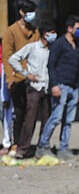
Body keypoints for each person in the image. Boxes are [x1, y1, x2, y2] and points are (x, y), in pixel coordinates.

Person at [35, 15, 79, 160]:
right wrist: (54, 85)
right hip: (61, 86)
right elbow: (51, 65)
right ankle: (43, 145)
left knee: (69, 120)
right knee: (56, 117)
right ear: (69, 28)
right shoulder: (59, 44)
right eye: (78, 28)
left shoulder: (77, 45)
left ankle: (64, 147)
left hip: (74, 87)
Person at [7, 21, 56, 159]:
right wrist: (25, 73)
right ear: (45, 34)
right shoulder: (32, 47)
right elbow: (13, 59)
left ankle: (42, 147)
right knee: (30, 119)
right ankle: (23, 149)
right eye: (51, 33)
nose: (54, 35)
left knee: (47, 120)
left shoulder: (53, 49)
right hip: (34, 87)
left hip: (47, 88)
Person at [2, 0, 40, 156]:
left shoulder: (35, 31)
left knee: (31, 113)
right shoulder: (11, 31)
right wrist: (10, 78)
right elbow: (7, 56)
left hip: (33, 78)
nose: (32, 15)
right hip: (17, 78)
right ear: (21, 12)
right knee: (18, 112)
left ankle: (26, 144)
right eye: (29, 11)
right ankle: (15, 143)